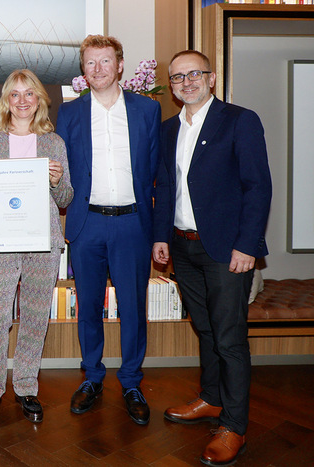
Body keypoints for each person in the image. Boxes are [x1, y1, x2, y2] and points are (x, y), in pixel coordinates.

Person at [153, 50, 271, 466]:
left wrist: (248, 245)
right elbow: (165, 187)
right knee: (204, 328)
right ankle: (211, 398)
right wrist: (160, 237)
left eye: (194, 74)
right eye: (177, 77)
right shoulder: (169, 129)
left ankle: (235, 425)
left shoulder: (240, 120)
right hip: (182, 245)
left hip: (226, 249)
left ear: (212, 78)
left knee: (229, 338)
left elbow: (258, 187)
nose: (186, 82)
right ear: (171, 85)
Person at [56, 34, 160, 425]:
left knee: (133, 308)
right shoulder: (68, 113)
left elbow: (155, 171)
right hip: (87, 224)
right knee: (88, 308)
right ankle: (93, 377)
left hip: (133, 222)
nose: (97, 69)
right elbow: (61, 174)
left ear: (120, 65)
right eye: (90, 63)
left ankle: (132, 381)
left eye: (104, 62)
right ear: (83, 70)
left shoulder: (147, 110)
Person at [0, 69, 73, 423]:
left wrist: (57, 183)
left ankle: (26, 386)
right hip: (1, 243)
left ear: (40, 100)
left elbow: (66, 197)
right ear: (6, 101)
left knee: (34, 317)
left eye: (30, 94)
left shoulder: (54, 142)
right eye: (15, 94)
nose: (23, 101)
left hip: (43, 243)